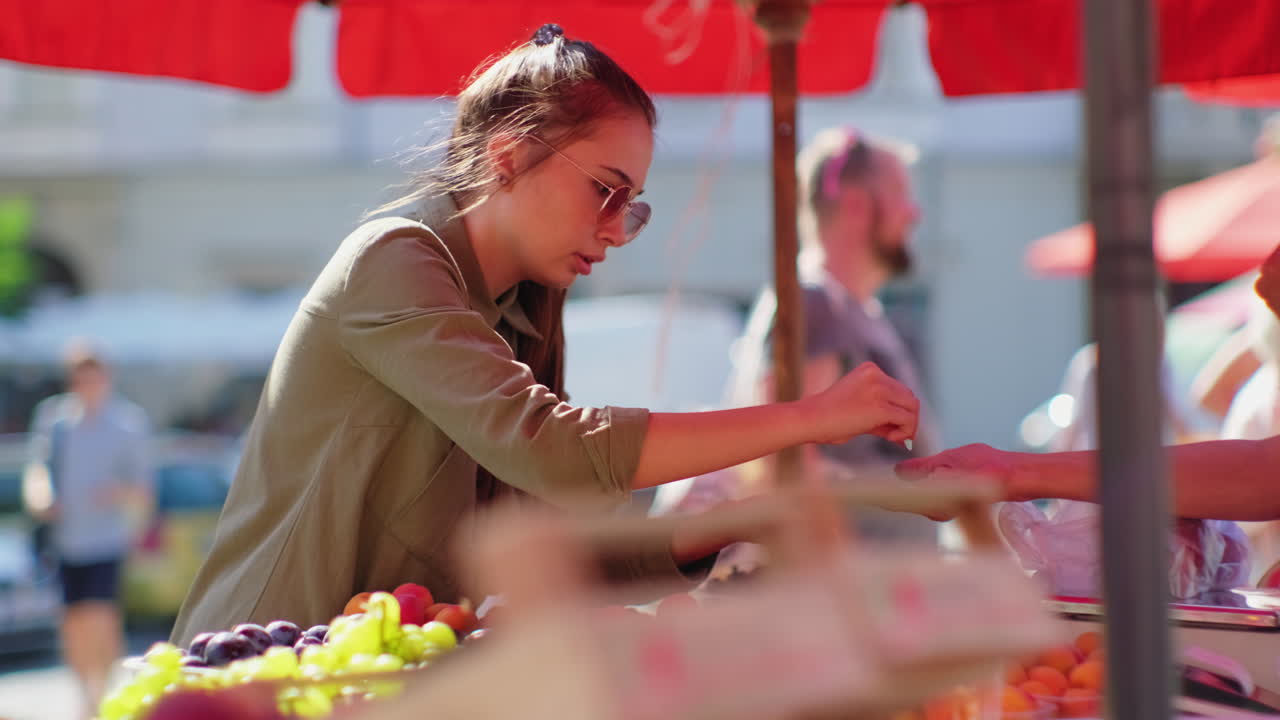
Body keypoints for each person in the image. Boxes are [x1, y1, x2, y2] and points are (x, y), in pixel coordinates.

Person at [171, 24, 919, 644]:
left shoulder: (528, 301)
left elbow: (541, 543)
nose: (619, 230)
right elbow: (554, 450)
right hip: (258, 676)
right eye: (606, 189)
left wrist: (721, 527)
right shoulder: (392, 258)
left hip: (383, 676)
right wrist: (810, 419)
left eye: (633, 204)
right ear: (506, 154)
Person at [900, 243, 1280, 524]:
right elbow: (1261, 468)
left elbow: (1258, 467)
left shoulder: (1156, 368)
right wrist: (1015, 472)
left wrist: (1018, 473)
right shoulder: (1095, 363)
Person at [707, 127, 939, 545]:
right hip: (856, 592)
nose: (914, 212)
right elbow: (784, 461)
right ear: (854, 205)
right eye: (901, 193)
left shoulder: (849, 308)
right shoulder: (815, 304)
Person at [23, 343, 152, 719]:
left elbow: (143, 489)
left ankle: (103, 694)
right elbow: (38, 469)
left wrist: (114, 493)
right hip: (66, 539)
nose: (86, 383)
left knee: (100, 618)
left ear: (106, 376)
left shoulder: (128, 423)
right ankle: (87, 695)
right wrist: (42, 498)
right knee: (72, 622)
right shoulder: (54, 419)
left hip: (107, 538)